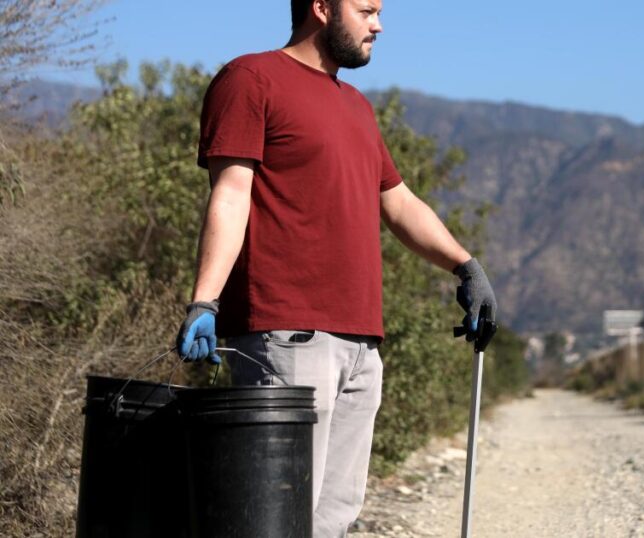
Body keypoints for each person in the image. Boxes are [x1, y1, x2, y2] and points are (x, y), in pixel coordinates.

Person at [174, 0, 497, 536]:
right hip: (287, 336)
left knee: (333, 520)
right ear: (322, 8)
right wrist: (204, 300)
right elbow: (230, 196)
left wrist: (466, 266)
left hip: (361, 344)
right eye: (366, 10)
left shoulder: (357, 107)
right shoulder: (252, 79)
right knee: (276, 519)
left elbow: (398, 203)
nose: (379, 24)